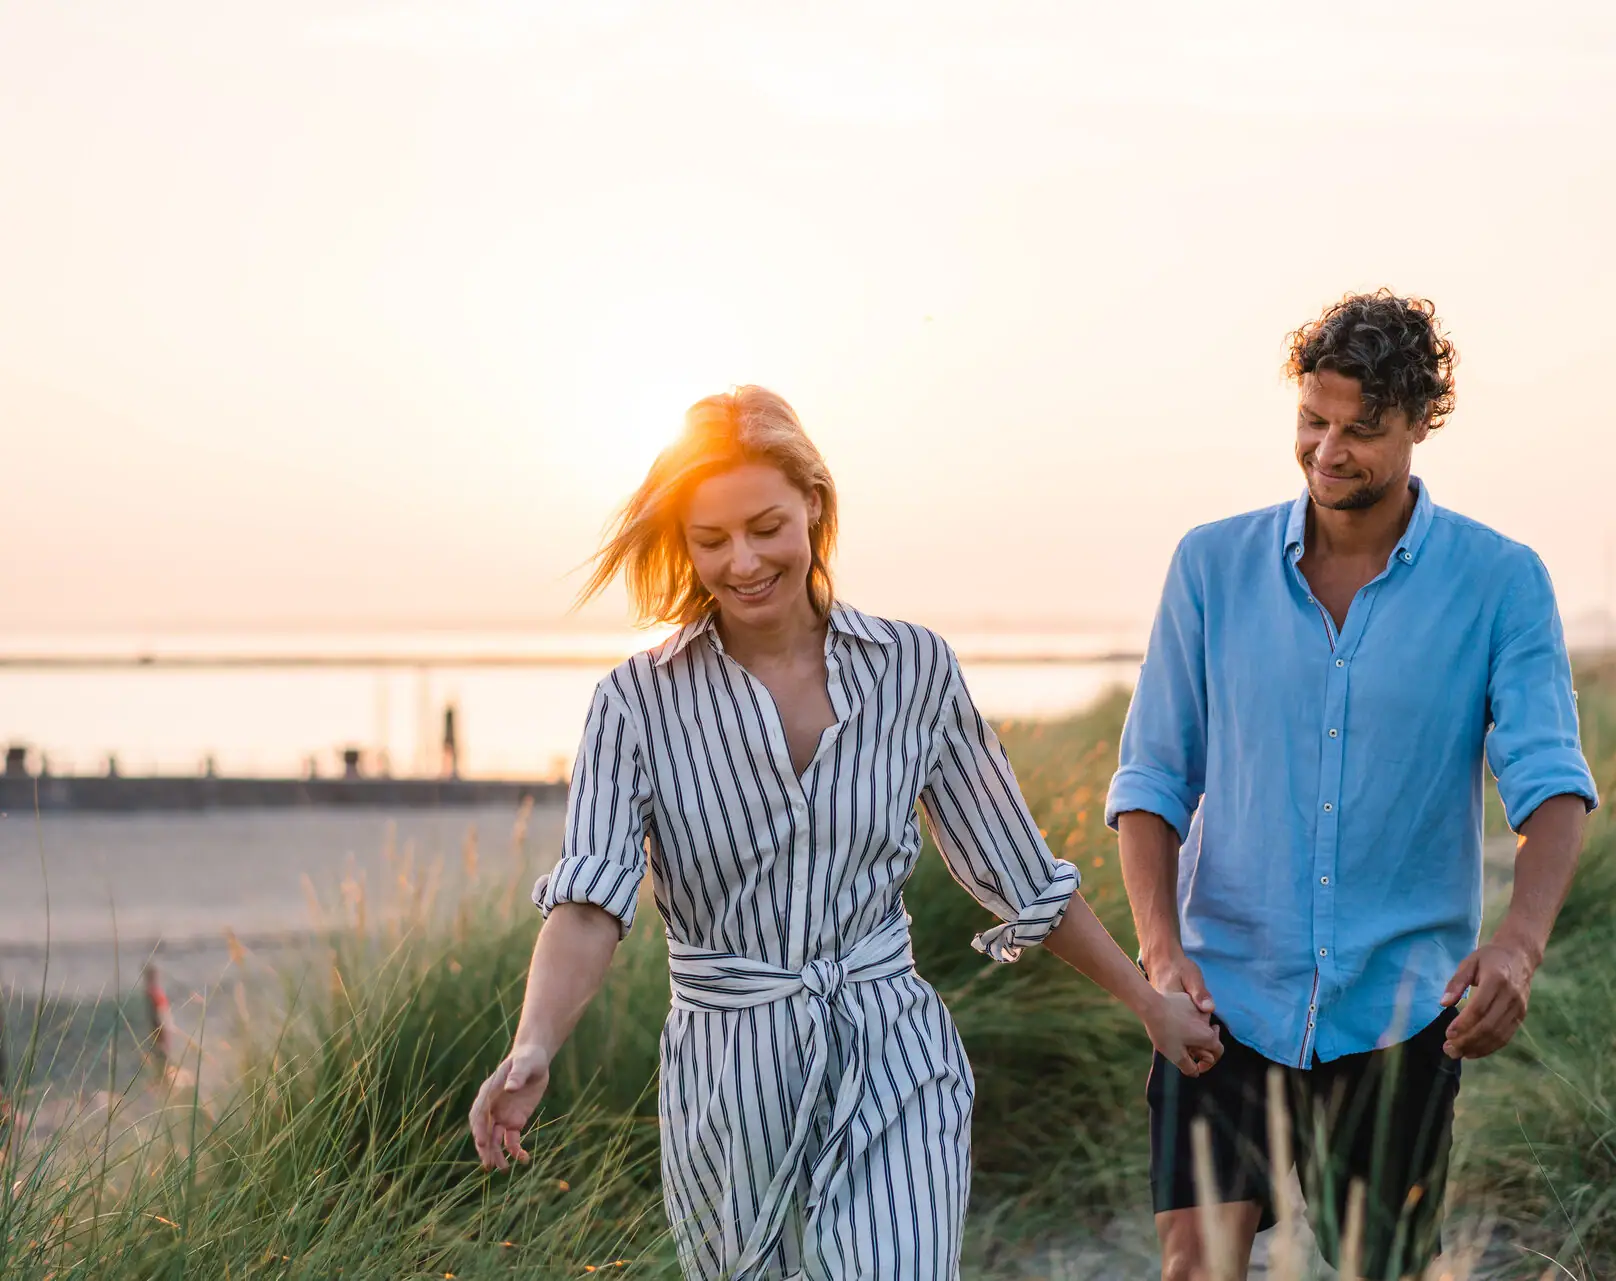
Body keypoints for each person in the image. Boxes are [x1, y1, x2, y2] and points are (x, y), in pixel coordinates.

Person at [467, 386, 1222, 1281]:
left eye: (765, 526)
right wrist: (533, 1044)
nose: (742, 561)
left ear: (814, 506)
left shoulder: (913, 668)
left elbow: (1022, 878)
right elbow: (590, 902)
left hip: (893, 1052)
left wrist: (1148, 1003)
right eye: (711, 540)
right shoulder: (635, 702)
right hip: (727, 1076)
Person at [1108, 291, 1598, 1280]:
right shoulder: (1211, 567)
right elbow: (1154, 777)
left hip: (1400, 1010)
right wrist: (1162, 957)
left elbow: (1550, 784)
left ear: (1422, 423)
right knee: (1195, 1266)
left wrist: (1518, 948)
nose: (1329, 451)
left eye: (1362, 431)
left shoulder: (1501, 581)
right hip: (1225, 1004)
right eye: (1313, 421)